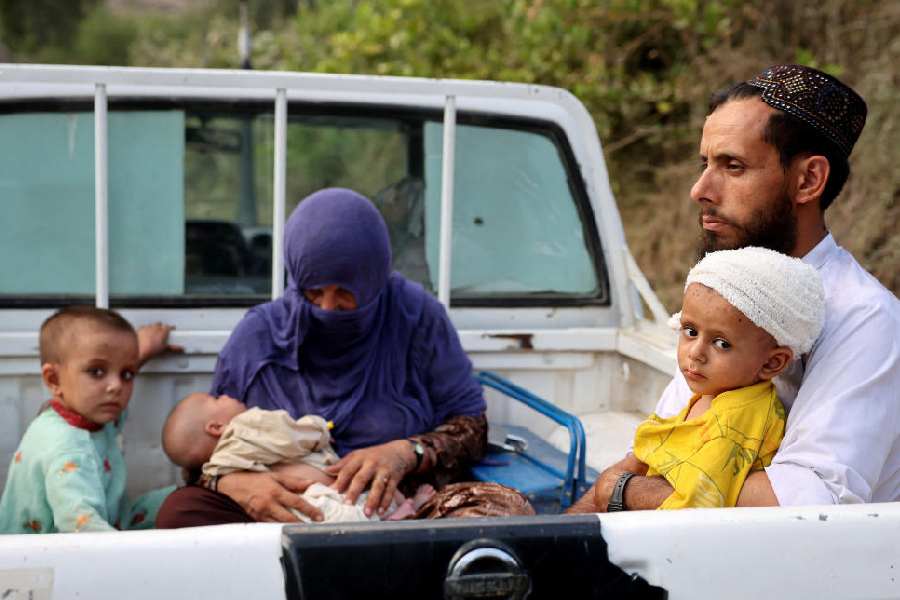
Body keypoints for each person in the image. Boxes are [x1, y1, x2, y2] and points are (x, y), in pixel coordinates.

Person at [572, 64, 900, 513]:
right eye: (704, 164)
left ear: (808, 180)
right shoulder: (727, 288)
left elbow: (811, 499)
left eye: (733, 166)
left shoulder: (864, 318)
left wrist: (626, 491)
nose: (700, 189)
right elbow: (660, 448)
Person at [157, 187, 523, 527]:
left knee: (505, 510)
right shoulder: (260, 335)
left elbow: (472, 429)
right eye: (313, 291)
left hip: (395, 513)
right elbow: (203, 447)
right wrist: (234, 483)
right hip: (282, 510)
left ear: (373, 277)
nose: (328, 308)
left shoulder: (417, 319)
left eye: (345, 292)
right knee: (180, 512)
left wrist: (406, 451)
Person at [621, 247, 824, 509]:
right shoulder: (715, 392)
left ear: (772, 362)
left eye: (721, 343)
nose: (695, 353)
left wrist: (620, 498)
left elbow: (700, 498)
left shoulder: (738, 417)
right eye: (690, 331)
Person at [0, 308, 181, 533]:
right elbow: (83, 531)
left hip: (105, 519)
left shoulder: (89, 412)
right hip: (52, 554)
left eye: (127, 374)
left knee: (183, 498)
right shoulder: (66, 446)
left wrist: (140, 352)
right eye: (96, 371)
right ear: (53, 379)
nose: (116, 386)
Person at [161, 392, 434, 522]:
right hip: (318, 493)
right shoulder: (246, 425)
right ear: (216, 428)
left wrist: (411, 451)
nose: (225, 394)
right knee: (363, 502)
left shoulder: (217, 461)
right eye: (216, 398)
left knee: (354, 504)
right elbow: (288, 433)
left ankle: (402, 513)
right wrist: (317, 429)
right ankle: (406, 512)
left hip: (302, 504)